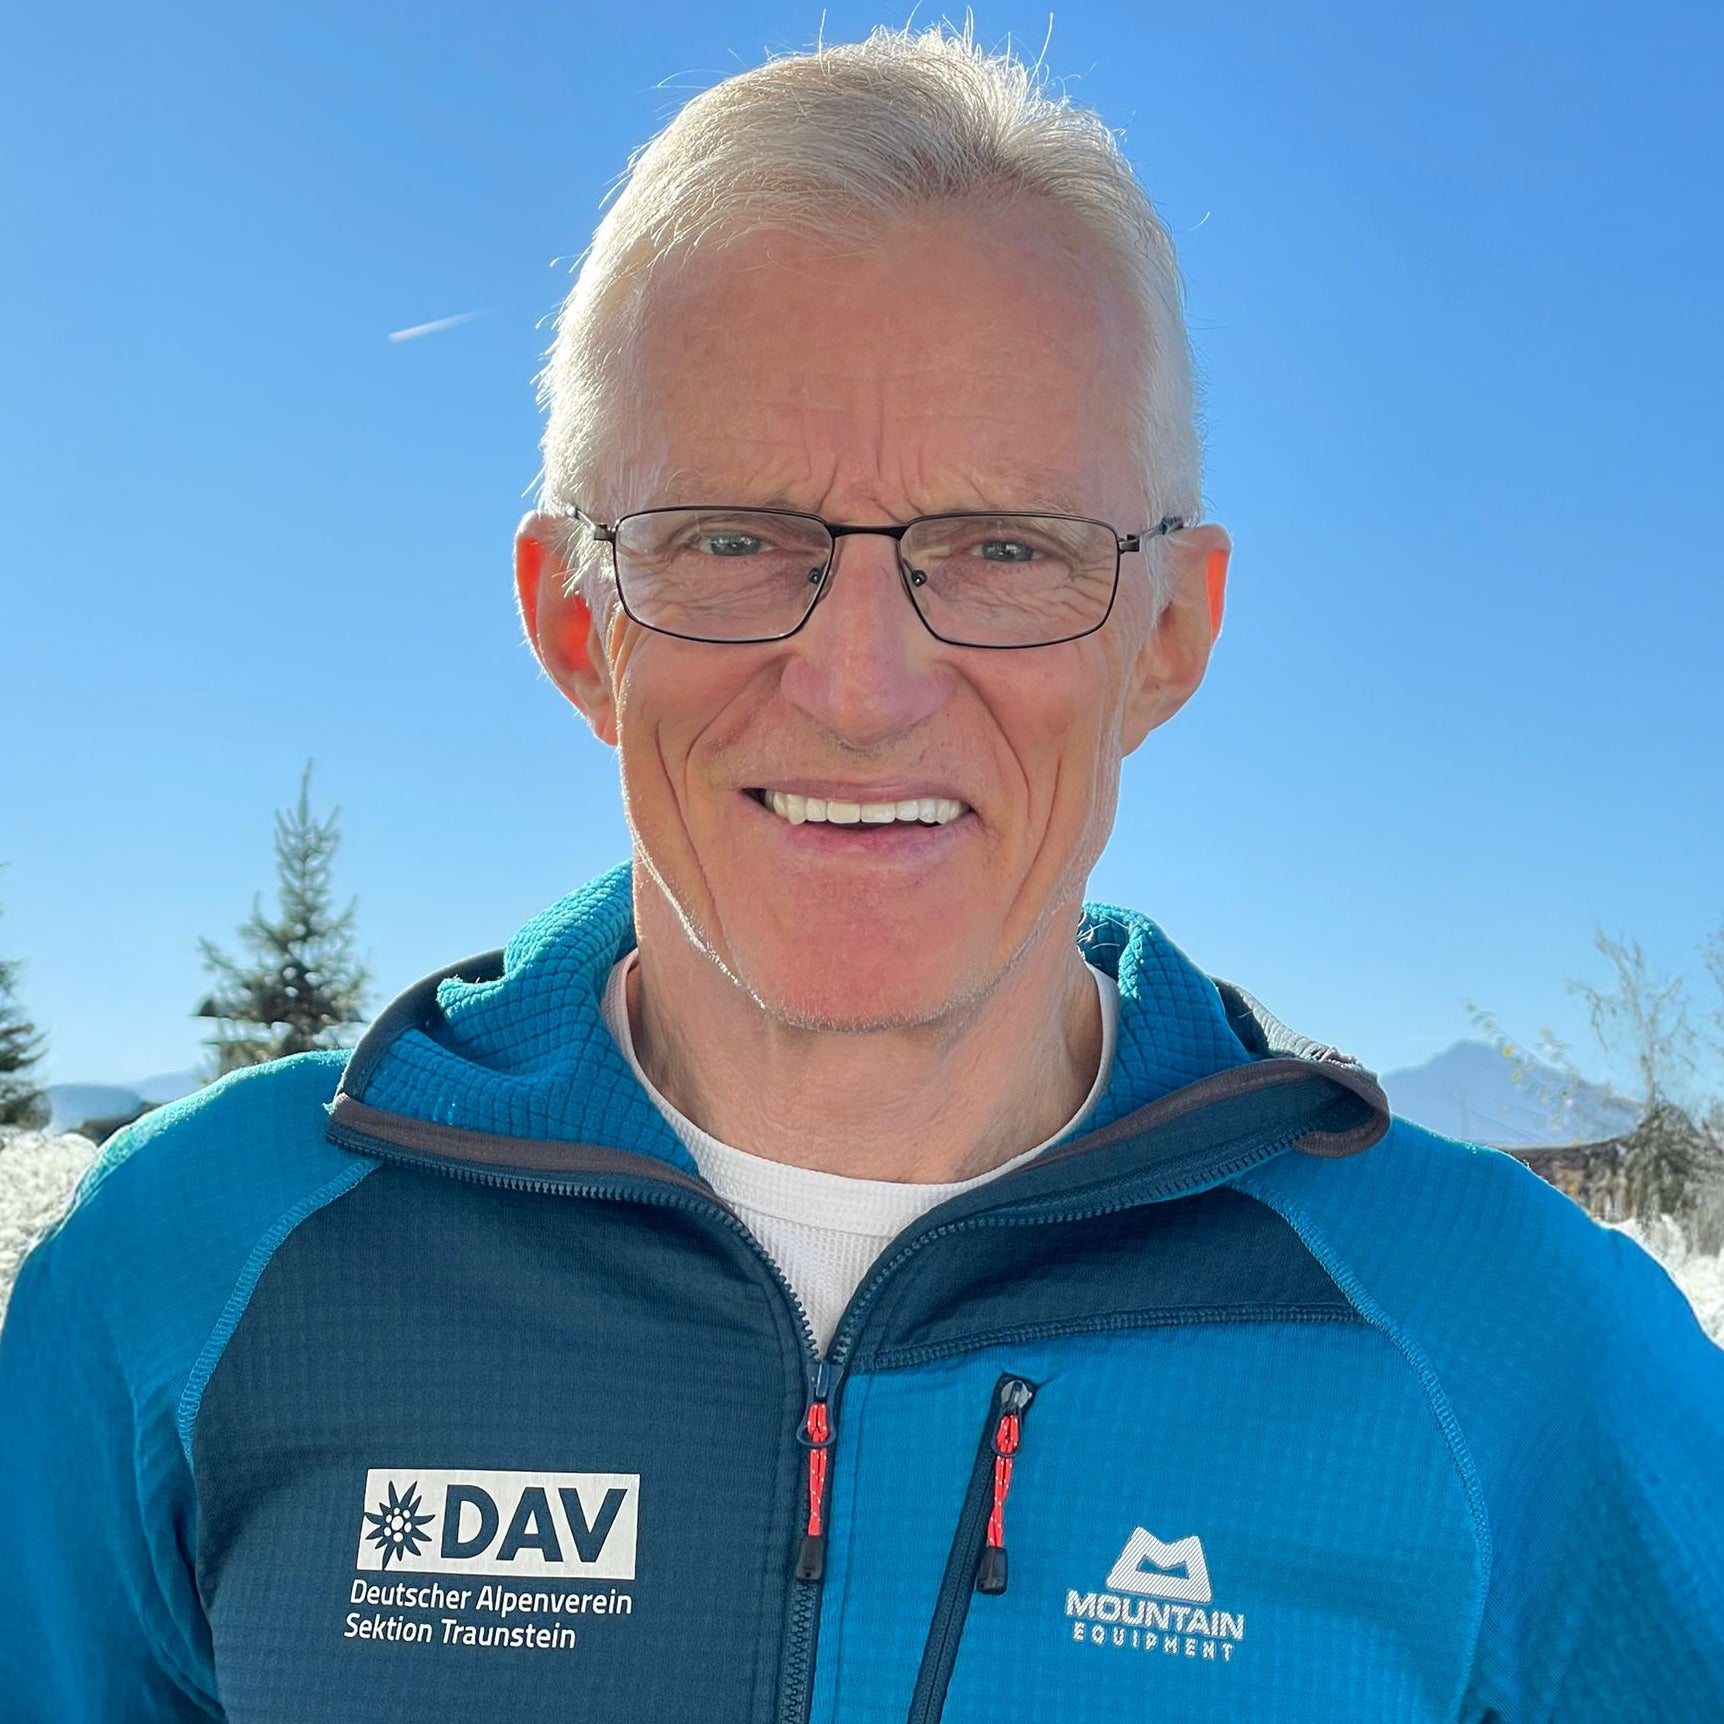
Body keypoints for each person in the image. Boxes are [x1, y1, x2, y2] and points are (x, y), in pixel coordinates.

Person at [2, 25, 1720, 1723]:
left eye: (1007, 548)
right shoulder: (183, 1278)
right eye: (732, 541)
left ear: (1169, 635)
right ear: (575, 624)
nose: (861, 687)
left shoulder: (1505, 1349)